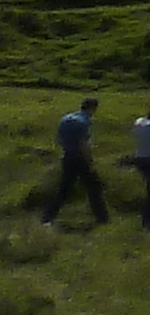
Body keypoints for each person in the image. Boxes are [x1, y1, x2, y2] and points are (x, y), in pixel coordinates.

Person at [38, 98, 105, 228]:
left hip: (67, 157)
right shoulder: (85, 121)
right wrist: (90, 161)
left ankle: (48, 217)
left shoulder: (66, 118)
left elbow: (58, 139)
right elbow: (83, 144)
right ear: (92, 108)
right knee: (94, 188)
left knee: (64, 189)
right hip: (80, 159)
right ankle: (102, 218)